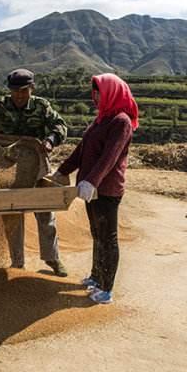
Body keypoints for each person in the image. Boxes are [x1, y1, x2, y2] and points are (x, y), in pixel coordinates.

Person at [0, 68, 69, 276]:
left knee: (45, 213)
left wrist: (51, 140)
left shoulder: (41, 106)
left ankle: (52, 259)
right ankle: (17, 263)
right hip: (4, 167)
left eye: (23, 91)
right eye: (15, 91)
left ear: (32, 88)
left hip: (34, 164)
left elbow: (60, 126)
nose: (18, 95)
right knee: (11, 214)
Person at [54, 73, 139, 304]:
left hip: (107, 190)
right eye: (94, 92)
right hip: (91, 188)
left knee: (108, 237)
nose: (95, 96)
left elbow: (109, 158)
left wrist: (92, 181)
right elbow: (81, 152)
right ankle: (96, 276)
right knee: (97, 235)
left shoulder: (121, 122)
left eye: (99, 92)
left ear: (112, 93)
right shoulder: (101, 120)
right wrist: (61, 171)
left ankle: (106, 288)